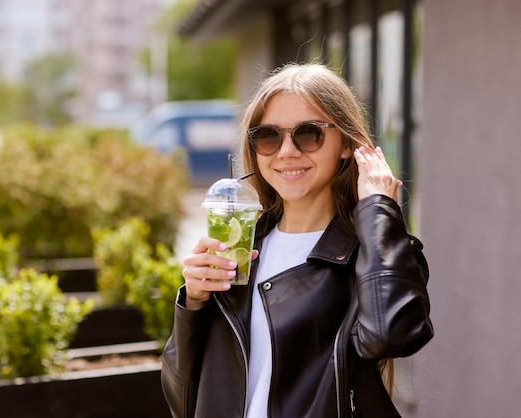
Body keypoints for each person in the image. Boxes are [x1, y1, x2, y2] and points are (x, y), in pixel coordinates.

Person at [160, 62, 433, 418]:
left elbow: (391, 335)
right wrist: (193, 303)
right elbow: (182, 399)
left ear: (347, 145)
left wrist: (378, 209)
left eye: (308, 134)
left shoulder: (375, 252)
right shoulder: (239, 253)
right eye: (269, 137)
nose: (287, 151)